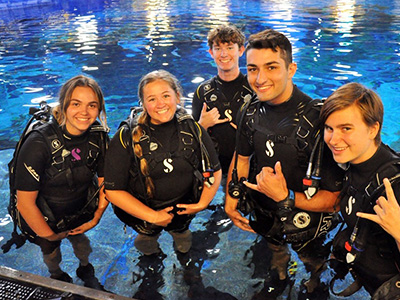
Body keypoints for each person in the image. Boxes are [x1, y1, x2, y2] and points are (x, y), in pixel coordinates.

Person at [224, 29, 344, 298]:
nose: (260, 78)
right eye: (252, 69)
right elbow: (241, 157)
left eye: (271, 67)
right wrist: (231, 196)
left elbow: (336, 199)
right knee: (275, 249)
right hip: (265, 211)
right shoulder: (250, 109)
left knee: (312, 263)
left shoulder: (319, 120)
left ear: (291, 69)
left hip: (308, 221)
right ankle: (279, 268)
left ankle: (314, 280)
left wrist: (286, 196)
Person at [104, 70, 221, 258]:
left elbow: (214, 170)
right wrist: (154, 217)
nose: (160, 104)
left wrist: (202, 203)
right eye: (152, 99)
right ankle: (151, 261)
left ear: (178, 96)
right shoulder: (126, 136)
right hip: (144, 213)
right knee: (146, 241)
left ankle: (186, 267)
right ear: (143, 104)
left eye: (166, 95)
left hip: (184, 209)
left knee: (183, 239)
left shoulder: (192, 128)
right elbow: (113, 190)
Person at [14, 75, 109, 289]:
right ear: (64, 104)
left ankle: (85, 265)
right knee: (51, 252)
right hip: (44, 217)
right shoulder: (39, 142)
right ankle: (56, 273)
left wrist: (95, 218)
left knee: (82, 244)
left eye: (92, 105)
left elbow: (105, 184)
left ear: (99, 109)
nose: (84, 112)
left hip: (79, 211)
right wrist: (50, 234)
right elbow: (25, 203)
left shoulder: (99, 138)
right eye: (76, 104)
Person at [320, 82, 400, 298]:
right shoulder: (350, 161)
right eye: (329, 128)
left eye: (346, 128)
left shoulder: (393, 185)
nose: (333, 140)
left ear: (373, 129)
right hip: (367, 277)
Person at [192, 24, 253, 177]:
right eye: (218, 49)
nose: (224, 54)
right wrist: (202, 125)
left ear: (241, 50)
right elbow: (190, 139)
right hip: (213, 167)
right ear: (211, 53)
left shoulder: (254, 88)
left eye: (230, 48)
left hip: (247, 165)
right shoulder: (203, 92)